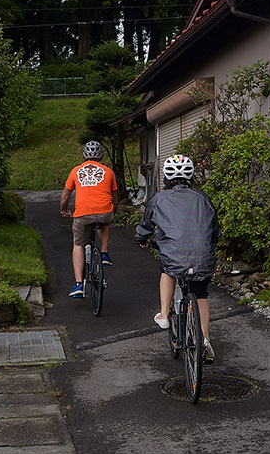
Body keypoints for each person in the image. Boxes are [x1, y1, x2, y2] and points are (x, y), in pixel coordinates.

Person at [136, 153, 219, 361]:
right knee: (200, 292)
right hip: (203, 256)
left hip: (173, 256)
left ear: (166, 177)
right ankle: (205, 339)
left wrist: (142, 238)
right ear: (191, 177)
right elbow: (214, 231)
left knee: (167, 270)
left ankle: (164, 314)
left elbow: (146, 226)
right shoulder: (203, 198)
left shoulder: (159, 199)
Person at [61, 140, 122, 299]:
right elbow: (114, 196)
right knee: (105, 221)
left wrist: (64, 210)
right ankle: (104, 253)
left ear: (84, 155)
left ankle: (79, 285)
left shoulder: (75, 171)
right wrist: (114, 209)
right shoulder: (108, 172)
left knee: (78, 244)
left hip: (82, 214)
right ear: (101, 156)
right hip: (104, 212)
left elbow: (66, 195)